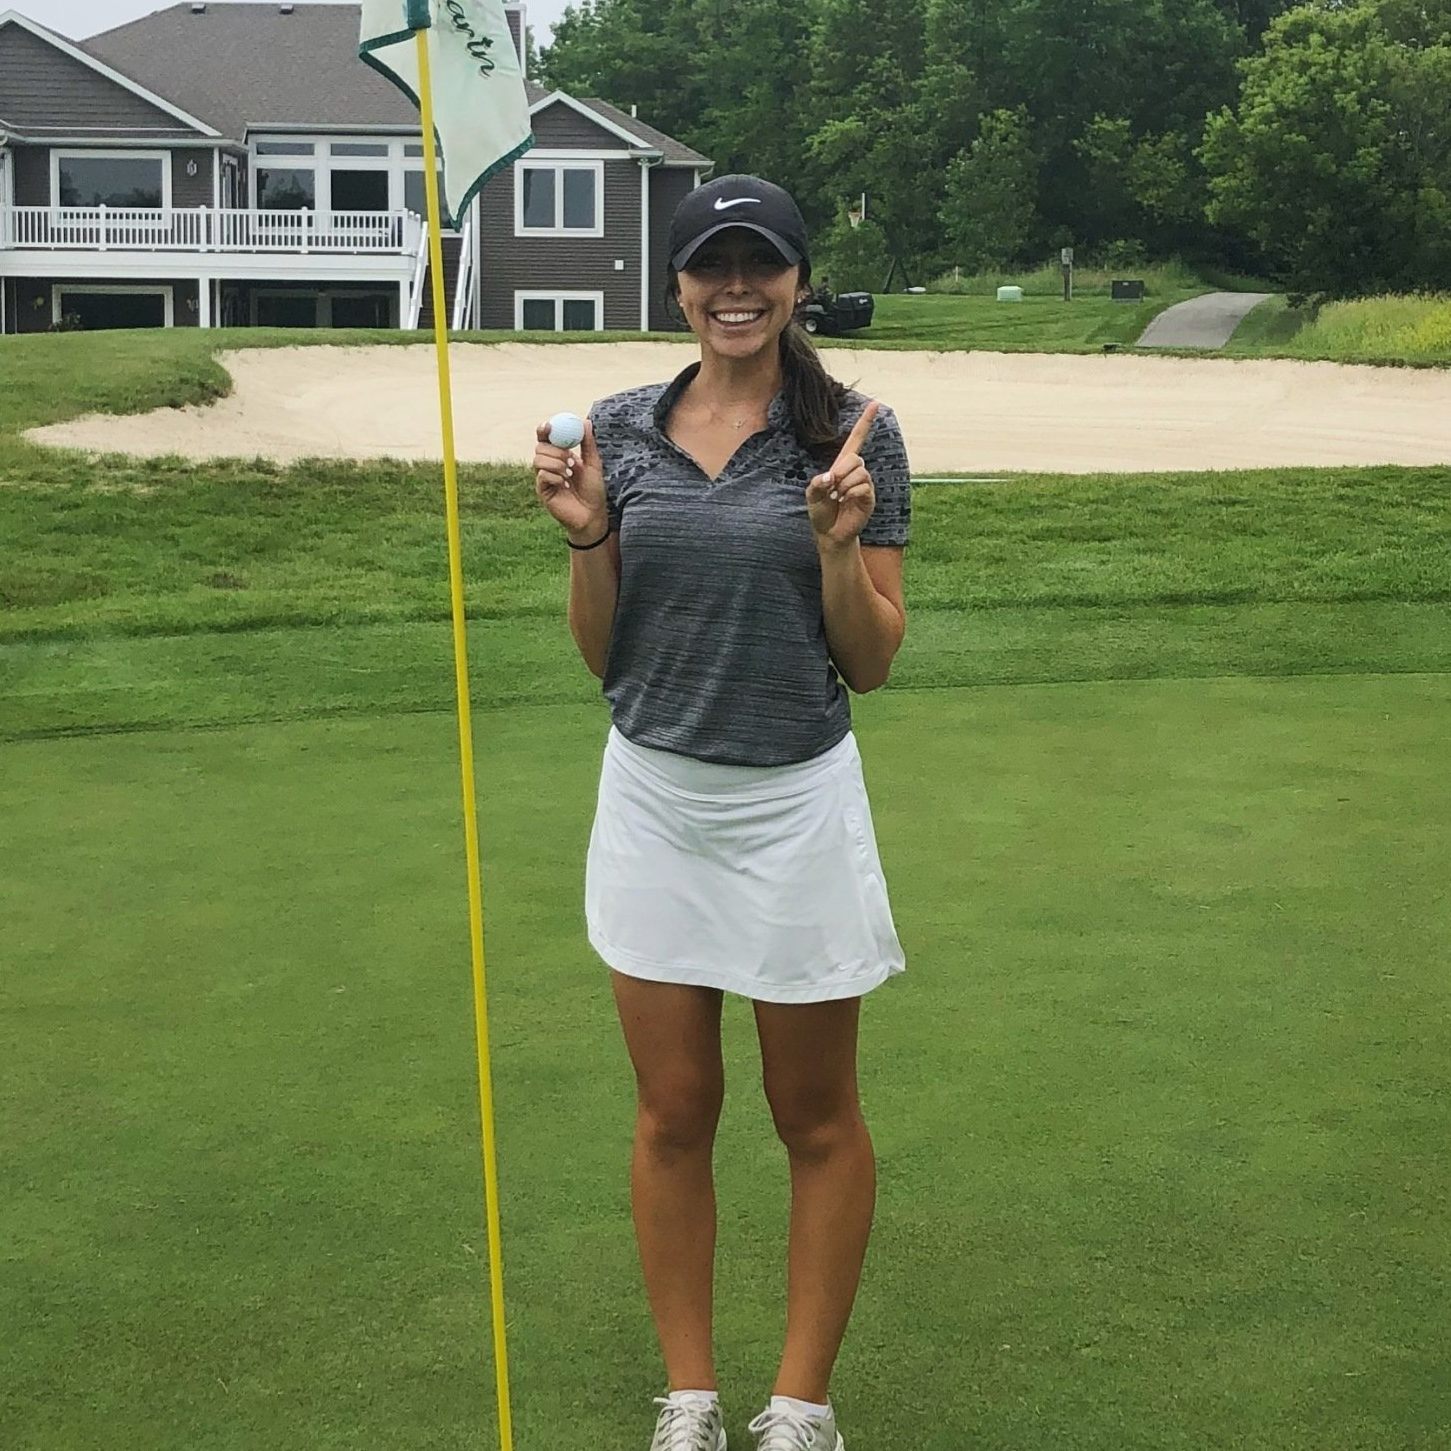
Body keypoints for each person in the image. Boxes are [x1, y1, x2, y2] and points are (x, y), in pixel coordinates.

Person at [531, 174, 911, 1451]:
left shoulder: (854, 432)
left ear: (797, 282)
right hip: (654, 797)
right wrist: (589, 538)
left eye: (760, 264)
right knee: (671, 1108)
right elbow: (604, 659)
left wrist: (833, 546)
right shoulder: (620, 427)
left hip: (793, 803)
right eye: (710, 266)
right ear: (678, 285)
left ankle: (798, 1405)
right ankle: (688, 1400)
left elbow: (867, 661)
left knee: (812, 1114)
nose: (733, 287)